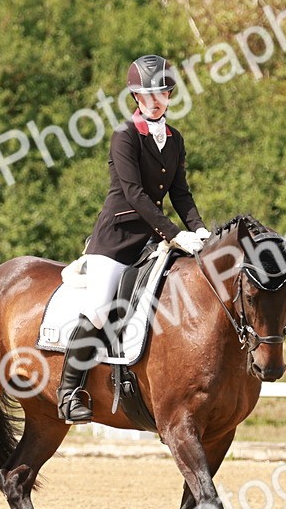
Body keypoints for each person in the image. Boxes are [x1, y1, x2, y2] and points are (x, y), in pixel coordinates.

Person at [57, 54, 211, 424]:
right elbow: (134, 194)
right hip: (116, 239)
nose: (155, 99)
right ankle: (68, 391)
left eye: (162, 92)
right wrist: (176, 234)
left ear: (170, 95)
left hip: (151, 241)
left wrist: (200, 229)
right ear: (135, 97)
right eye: (147, 94)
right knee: (98, 309)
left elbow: (180, 192)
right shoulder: (125, 135)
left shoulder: (174, 139)